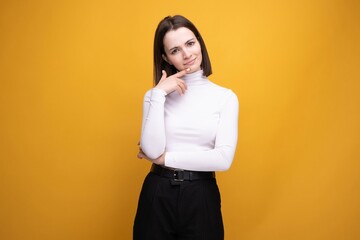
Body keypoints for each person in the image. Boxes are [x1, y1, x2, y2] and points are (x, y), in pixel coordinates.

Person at [133, 15, 239, 240]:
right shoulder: (154, 97)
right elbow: (151, 151)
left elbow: (223, 159)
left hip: (201, 195)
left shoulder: (225, 98)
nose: (187, 54)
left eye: (190, 44)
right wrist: (160, 93)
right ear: (166, 58)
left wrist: (165, 159)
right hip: (157, 194)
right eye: (175, 50)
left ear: (199, 42)